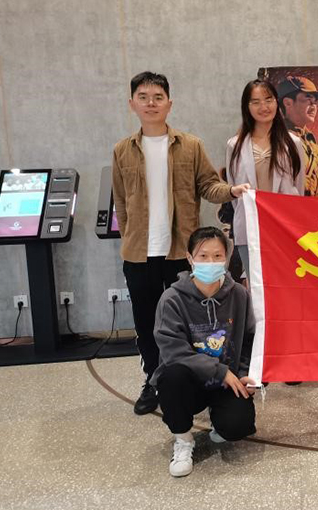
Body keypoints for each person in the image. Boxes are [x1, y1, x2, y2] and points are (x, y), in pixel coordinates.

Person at [112, 71, 246, 416]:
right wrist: (130, 238)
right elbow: (121, 203)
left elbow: (209, 186)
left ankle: (189, 379)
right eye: (143, 97)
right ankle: (152, 381)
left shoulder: (190, 145)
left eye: (158, 97)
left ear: (169, 104)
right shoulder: (122, 151)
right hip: (139, 255)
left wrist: (231, 191)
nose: (151, 103)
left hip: (179, 253)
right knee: (146, 324)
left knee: (186, 323)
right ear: (132, 104)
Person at [151, 226, 258, 477]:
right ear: (190, 258)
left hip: (227, 381)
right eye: (203, 256)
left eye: (217, 256)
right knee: (171, 377)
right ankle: (183, 440)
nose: (211, 262)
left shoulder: (239, 295)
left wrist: (247, 373)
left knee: (237, 427)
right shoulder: (172, 299)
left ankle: (220, 419)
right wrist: (219, 371)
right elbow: (174, 352)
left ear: (227, 258)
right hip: (190, 382)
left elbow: (250, 340)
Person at [226, 79, 305, 278]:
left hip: (284, 227)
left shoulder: (293, 142)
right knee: (256, 286)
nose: (263, 107)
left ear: (277, 102)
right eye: (256, 102)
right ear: (247, 107)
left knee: (284, 283)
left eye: (268, 100)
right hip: (250, 228)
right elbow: (234, 191)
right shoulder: (234, 145)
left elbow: (298, 187)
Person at [277, 76, 318, 197]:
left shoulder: (314, 145)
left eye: (315, 101)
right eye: (308, 99)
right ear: (288, 103)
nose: (314, 105)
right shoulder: (276, 140)